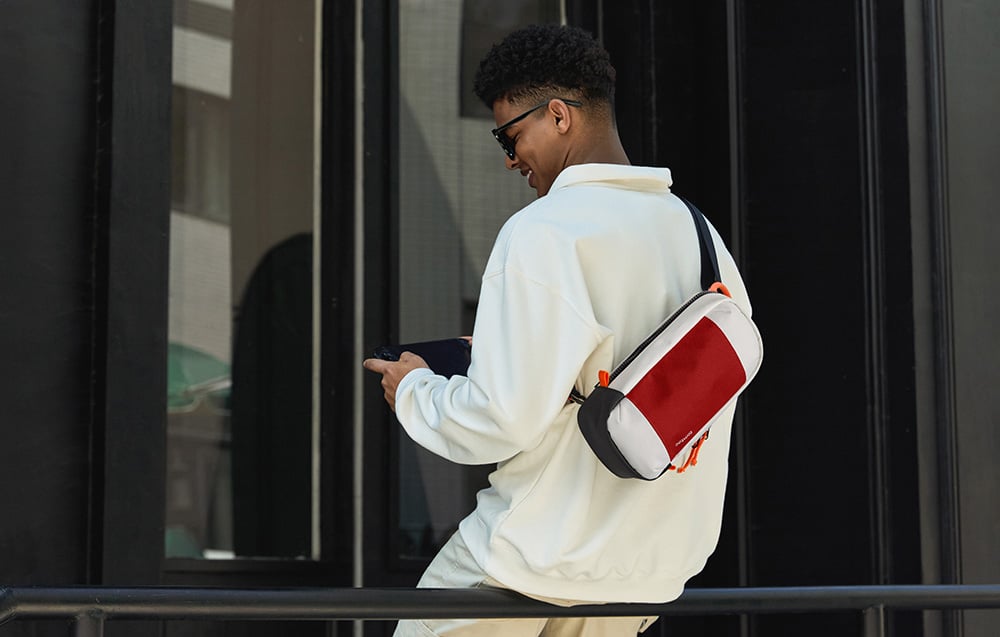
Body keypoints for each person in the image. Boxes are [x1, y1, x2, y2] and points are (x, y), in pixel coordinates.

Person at [363, 23, 752, 637]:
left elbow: (501, 419)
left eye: (510, 135)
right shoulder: (703, 238)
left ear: (559, 115)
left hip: (529, 558)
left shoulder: (544, 231)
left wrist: (415, 390)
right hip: (644, 574)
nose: (510, 158)